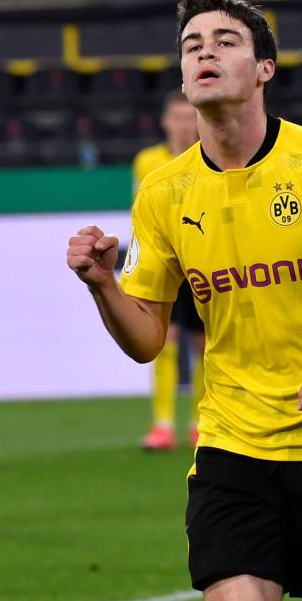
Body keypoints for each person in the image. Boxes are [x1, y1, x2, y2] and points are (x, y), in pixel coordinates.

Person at [67, 0, 302, 600]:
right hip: (232, 448)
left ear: (264, 68)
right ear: (183, 74)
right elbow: (146, 342)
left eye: (225, 42)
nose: (205, 53)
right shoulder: (162, 193)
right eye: (192, 45)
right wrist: (103, 286)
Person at [132, 90, 205, 450]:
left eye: (190, 117)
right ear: (165, 122)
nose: (184, 125)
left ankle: (200, 423)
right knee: (164, 340)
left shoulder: (210, 157)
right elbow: (141, 211)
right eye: (177, 117)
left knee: (205, 345)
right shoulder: (147, 161)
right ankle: (162, 425)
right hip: (165, 262)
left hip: (203, 260)